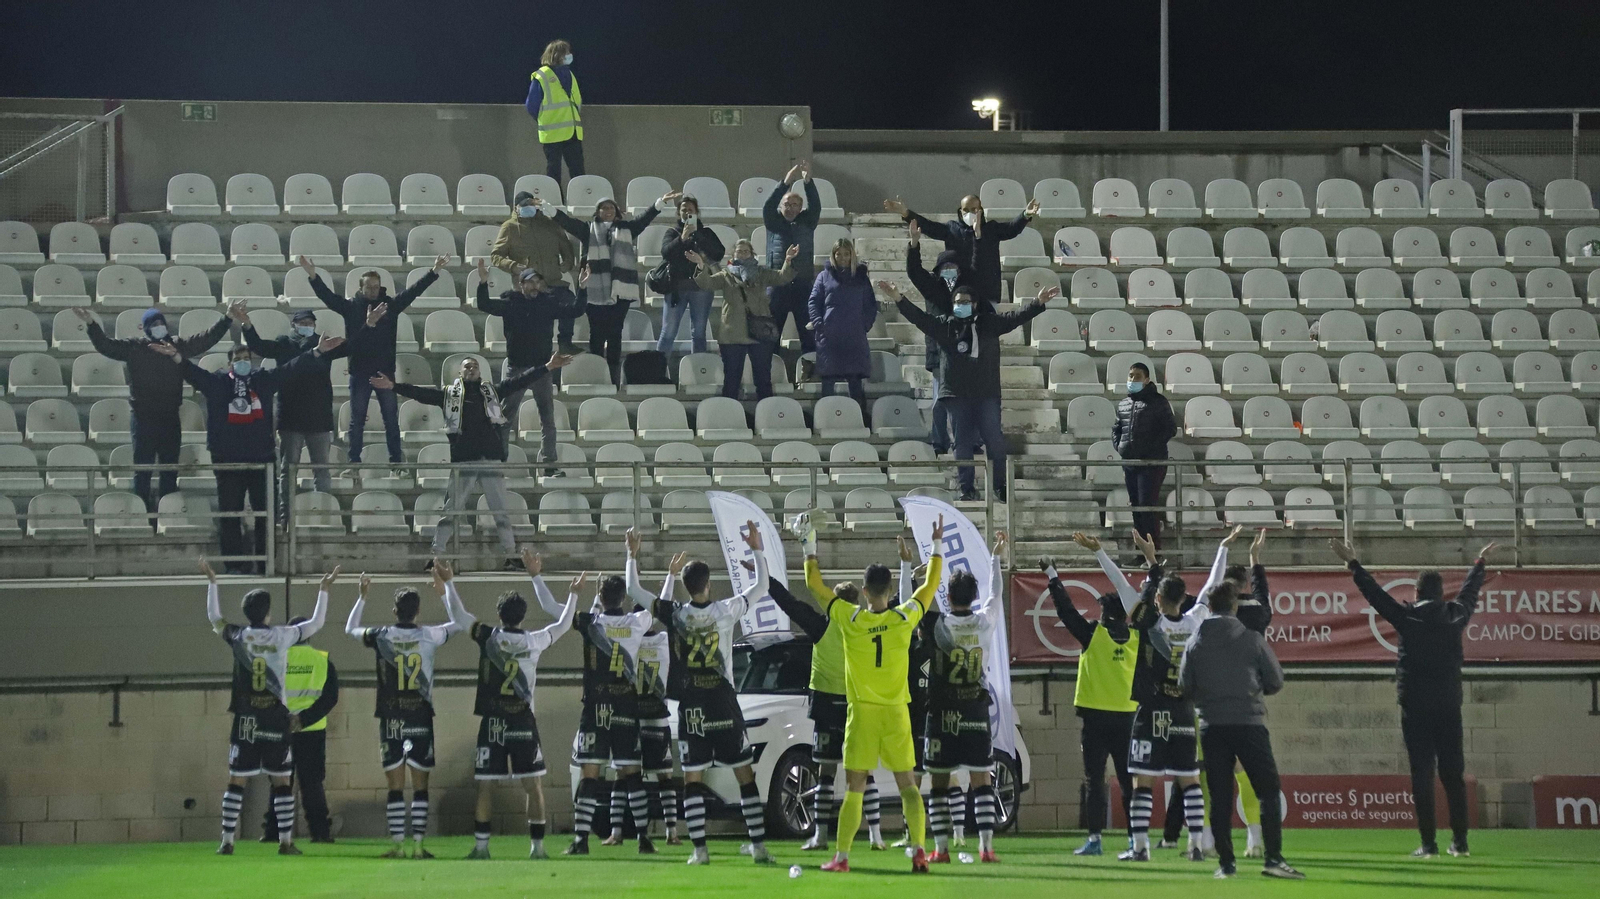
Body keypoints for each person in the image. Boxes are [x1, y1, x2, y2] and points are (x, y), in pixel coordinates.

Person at [1331, 538, 1493, 860]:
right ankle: (1460, 843)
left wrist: (1353, 563)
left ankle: (1429, 844)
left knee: (1422, 774)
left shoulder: (1407, 618)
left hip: (1416, 707)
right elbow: (1470, 595)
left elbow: (1375, 596)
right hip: (1449, 705)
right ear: (1440, 593)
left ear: (1416, 593)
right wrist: (1479, 565)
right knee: (1452, 774)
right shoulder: (1455, 615)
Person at [1097, 526, 1245, 863]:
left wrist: (1098, 552)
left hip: (1151, 710)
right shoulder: (1196, 622)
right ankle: (1194, 845)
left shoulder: (1150, 622)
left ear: (1159, 599)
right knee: (1189, 781)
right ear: (1185, 599)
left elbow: (1120, 585)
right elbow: (1211, 586)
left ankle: (1139, 848)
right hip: (1183, 710)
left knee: (1143, 782)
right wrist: (1223, 548)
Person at [168, 312, 342, 574]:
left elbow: (290, 368)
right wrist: (176, 357)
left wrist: (316, 352)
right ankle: (235, 565)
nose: (242, 363)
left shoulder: (262, 381)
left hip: (262, 460)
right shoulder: (217, 384)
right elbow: (192, 373)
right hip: (228, 460)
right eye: (237, 360)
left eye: (246, 359)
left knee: (266, 517)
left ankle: (264, 563)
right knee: (231, 516)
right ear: (229, 365)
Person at [818, 516, 945, 874]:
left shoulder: (850, 618)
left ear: (863, 590)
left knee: (855, 785)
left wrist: (809, 545)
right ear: (890, 591)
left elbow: (814, 584)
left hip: (862, 714)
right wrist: (935, 546)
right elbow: (931, 585)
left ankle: (842, 857)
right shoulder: (905, 619)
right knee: (908, 785)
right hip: (896, 712)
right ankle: (920, 851)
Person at [372, 352, 574, 571]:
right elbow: (421, 393)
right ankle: (436, 556)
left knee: (500, 511)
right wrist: (394, 386)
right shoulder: (449, 395)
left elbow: (519, 381)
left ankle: (510, 555)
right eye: (467, 367)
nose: (471, 369)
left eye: (474, 366)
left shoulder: (492, 392)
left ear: (480, 372)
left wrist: (547, 366)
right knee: (451, 510)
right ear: (460, 372)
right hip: (463, 461)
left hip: (490, 459)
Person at [765, 513, 888, 852]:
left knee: (826, 773)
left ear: (835, 604)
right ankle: (876, 835)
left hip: (825, 705)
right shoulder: (867, 623)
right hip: (857, 703)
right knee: (866, 773)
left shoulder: (823, 625)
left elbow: (789, 603)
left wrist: (764, 571)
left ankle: (820, 835)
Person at [656, 528, 775, 865]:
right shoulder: (726, 610)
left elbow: (638, 594)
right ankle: (759, 848)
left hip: (692, 705)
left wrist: (632, 558)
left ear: (686, 585)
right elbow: (762, 587)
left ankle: (700, 851)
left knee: (692, 777)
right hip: (723, 701)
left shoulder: (677, 614)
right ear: (708, 584)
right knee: (744, 775)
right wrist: (757, 551)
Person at [881, 279, 1059, 503]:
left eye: (964, 302)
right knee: (962, 443)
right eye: (956, 302)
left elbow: (1015, 318)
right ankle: (967, 488)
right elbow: (920, 319)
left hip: (986, 393)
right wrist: (899, 298)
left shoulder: (989, 323)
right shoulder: (945, 325)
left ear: (974, 304)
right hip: (956, 394)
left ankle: (1000, 486)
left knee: (994, 441)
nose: (960, 305)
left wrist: (1037, 303)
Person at [202, 559, 334, 856]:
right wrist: (323, 591)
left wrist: (212, 583)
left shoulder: (238, 636)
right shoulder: (282, 635)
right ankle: (286, 842)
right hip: (276, 718)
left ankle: (226, 841)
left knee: (237, 779)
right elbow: (316, 624)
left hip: (247, 718)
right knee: (282, 780)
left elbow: (214, 618)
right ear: (268, 612)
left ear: (248, 613)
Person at [1178, 580, 1304, 879]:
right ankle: (1273, 859)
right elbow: (1275, 681)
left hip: (1212, 726)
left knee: (1219, 797)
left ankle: (1226, 864)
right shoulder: (1251, 639)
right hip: (1249, 723)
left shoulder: (1195, 641)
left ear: (1209, 607)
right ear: (1235, 606)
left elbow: (1185, 687)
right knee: (1268, 790)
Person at [345, 563, 467, 858]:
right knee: (421, 786)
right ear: (418, 611)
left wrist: (362, 596)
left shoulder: (381, 635)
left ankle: (398, 846)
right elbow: (461, 622)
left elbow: (349, 629)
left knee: (395, 787)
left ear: (394, 611)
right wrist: (446, 590)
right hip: (421, 716)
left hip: (391, 717)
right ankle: (419, 846)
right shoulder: (430, 635)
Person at [465, 571, 583, 860]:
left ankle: (481, 849)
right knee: (533, 786)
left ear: (499, 614)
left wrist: (446, 589)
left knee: (485, 787)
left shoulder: (488, 637)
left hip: (493, 721)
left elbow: (459, 615)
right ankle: (537, 849)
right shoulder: (535, 641)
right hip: (522, 721)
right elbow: (564, 624)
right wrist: (574, 594)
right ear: (523, 616)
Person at [1045, 532, 1147, 857]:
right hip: (1128, 718)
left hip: (1095, 718)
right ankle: (1135, 839)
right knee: (1129, 782)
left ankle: (1095, 840)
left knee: (1095, 780)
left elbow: (1066, 612)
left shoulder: (1093, 634)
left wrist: (1052, 577)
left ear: (1104, 612)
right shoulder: (1137, 637)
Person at [301, 254, 447, 475]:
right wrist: (313, 276)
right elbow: (327, 297)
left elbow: (413, 291)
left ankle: (396, 463)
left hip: (384, 371)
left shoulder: (389, 306)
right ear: (360, 288)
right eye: (368, 287)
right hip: (359, 370)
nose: (372, 291)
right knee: (357, 419)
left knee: (390, 418)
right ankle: (354, 463)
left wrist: (434, 271)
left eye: (376, 287)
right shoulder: (351, 307)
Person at [75, 305, 230, 511]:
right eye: (154, 324)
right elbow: (106, 346)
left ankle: (167, 513)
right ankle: (143, 515)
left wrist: (227, 319)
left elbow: (206, 339)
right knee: (143, 470)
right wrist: (91, 325)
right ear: (146, 328)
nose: (159, 327)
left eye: (161, 323)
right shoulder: (135, 348)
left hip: (170, 418)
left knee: (169, 470)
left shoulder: (177, 347)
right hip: (143, 418)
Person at [566, 530, 662, 856]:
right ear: (622, 597)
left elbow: (561, 614)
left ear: (600, 595)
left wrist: (583, 596)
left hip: (595, 706)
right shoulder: (636, 622)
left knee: (589, 775)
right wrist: (664, 573)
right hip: (625, 705)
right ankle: (644, 838)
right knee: (631, 773)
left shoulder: (591, 623)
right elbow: (657, 606)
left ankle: (580, 840)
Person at [922, 530, 1008, 864]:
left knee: (940, 783)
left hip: (943, 712)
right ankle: (986, 848)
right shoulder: (985, 621)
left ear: (947, 595)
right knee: (982, 779)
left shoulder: (938, 624)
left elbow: (908, 604)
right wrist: (995, 556)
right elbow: (997, 593)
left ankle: (941, 849)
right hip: (975, 710)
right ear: (973, 596)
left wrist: (915, 561)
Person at [550, 190, 679, 383]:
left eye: (610, 207)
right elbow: (566, 222)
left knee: (615, 335)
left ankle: (613, 379)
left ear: (617, 211)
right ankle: (597, 377)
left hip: (620, 293)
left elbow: (645, 218)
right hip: (593, 292)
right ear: (597, 212)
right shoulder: (587, 229)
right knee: (596, 335)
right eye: (603, 207)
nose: (607, 210)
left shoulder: (628, 228)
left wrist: (660, 203)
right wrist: (547, 209)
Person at [473, 259, 584, 463]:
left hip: (543, 369)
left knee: (548, 420)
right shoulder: (511, 303)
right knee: (505, 418)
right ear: (521, 285)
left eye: (537, 282)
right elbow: (484, 304)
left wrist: (583, 289)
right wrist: (482, 283)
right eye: (530, 282)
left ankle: (549, 462)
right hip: (517, 368)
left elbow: (575, 311)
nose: (534, 286)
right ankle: (500, 460)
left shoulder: (548, 303)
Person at [241, 308, 348, 514]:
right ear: (294, 324)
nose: (307, 326)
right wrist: (247, 325)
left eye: (310, 323)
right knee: (288, 471)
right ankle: (285, 515)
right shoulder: (283, 344)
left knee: (322, 470)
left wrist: (369, 325)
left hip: (319, 417)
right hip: (290, 417)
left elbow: (352, 346)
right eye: (303, 322)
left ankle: (323, 513)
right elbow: (259, 346)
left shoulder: (325, 345)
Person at [259, 614, 340, 846]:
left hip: (280, 729)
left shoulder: (276, 659)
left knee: (279, 781)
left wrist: (282, 719)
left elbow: (266, 693)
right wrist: (304, 719)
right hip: (312, 730)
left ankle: (272, 832)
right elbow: (330, 698)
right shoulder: (323, 661)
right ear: (310, 634)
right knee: (312, 782)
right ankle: (320, 832)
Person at [884, 194, 1042, 308]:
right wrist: (906, 213)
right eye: (966, 210)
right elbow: (929, 226)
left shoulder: (991, 229)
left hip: (986, 292)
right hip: (958, 294)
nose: (970, 213)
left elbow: (1011, 229)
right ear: (960, 212)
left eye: (975, 209)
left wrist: (1025, 215)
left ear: (981, 210)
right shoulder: (952, 229)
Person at [688, 241, 799, 400]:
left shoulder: (762, 273)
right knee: (731, 381)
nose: (743, 254)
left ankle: (765, 416)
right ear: (733, 255)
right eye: (739, 251)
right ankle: (731, 416)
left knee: (763, 380)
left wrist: (788, 260)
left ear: (752, 254)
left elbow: (782, 278)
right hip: (732, 333)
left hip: (760, 333)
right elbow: (707, 283)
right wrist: (700, 265)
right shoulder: (725, 275)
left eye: (746, 251)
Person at [904, 220, 966, 453]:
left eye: (954, 266)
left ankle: (968, 441)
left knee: (967, 401)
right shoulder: (931, 287)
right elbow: (914, 271)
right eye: (945, 267)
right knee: (940, 399)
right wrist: (914, 244)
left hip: (964, 350)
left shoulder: (967, 290)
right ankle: (939, 442)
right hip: (939, 351)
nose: (950, 271)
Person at [1112, 362, 1177, 550]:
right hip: (1130, 464)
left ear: (1147, 379)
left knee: (1147, 507)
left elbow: (1169, 428)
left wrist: (1149, 449)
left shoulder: (1158, 402)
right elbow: (1116, 429)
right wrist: (1121, 447)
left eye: (1137, 376)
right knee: (1136, 509)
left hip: (1152, 463)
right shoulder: (1124, 404)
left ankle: (1154, 553)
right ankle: (1141, 553)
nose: (1132, 379)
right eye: (1130, 375)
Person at [808, 239, 876, 412]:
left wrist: (864, 326)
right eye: (839, 254)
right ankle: (826, 417)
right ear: (833, 255)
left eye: (846, 254)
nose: (843, 257)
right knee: (828, 380)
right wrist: (819, 324)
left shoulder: (861, 277)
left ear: (852, 255)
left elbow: (870, 305)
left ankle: (860, 419)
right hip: (829, 336)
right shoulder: (824, 276)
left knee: (855, 381)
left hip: (854, 336)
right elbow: (813, 302)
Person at [763, 161, 823, 353]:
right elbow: (769, 204)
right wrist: (786, 182)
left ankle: (809, 373)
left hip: (802, 285)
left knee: (808, 335)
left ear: (800, 208)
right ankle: (769, 374)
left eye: (795, 205)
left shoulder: (808, 221)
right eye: (787, 204)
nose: (790, 208)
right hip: (777, 285)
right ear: (782, 206)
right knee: (771, 336)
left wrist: (807, 181)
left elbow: (816, 205)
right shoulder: (773, 222)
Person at [656, 196, 725, 355]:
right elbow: (666, 253)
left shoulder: (706, 232)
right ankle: (657, 370)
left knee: (699, 332)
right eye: (684, 210)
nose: (687, 213)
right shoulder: (672, 232)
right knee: (668, 332)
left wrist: (698, 236)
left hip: (701, 287)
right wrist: (682, 238)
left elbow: (718, 253)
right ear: (678, 212)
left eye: (690, 210)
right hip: (676, 287)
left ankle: (699, 369)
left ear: (696, 213)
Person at [526, 39, 584, 185]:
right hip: (552, 133)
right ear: (558, 55)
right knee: (553, 173)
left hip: (573, 131)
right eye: (567, 52)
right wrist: (546, 119)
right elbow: (532, 105)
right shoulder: (542, 76)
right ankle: (557, 204)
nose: (570, 55)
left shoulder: (570, 74)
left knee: (578, 172)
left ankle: (579, 202)